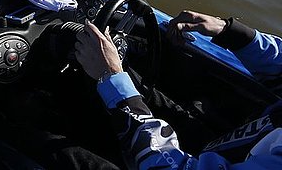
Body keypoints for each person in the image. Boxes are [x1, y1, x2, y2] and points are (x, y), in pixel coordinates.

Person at [75, 10, 282, 169]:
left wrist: (111, 78)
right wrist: (228, 31)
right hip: (218, 147)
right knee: (135, 82)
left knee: (51, 146)